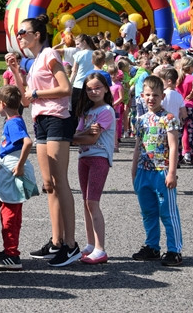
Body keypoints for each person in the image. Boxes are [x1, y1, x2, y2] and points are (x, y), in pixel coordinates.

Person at [5, 15, 79, 267]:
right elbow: (26, 100)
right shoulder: (35, 60)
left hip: (57, 118)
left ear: (37, 35)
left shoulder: (49, 54)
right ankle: (56, 241)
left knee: (60, 182)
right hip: (41, 121)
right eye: (18, 34)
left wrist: (36, 92)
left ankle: (70, 244)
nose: (19, 37)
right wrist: (16, 71)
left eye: (23, 32)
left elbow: (65, 88)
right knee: (49, 184)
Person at [130, 76, 183, 267]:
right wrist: (134, 170)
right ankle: (152, 246)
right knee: (148, 211)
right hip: (143, 171)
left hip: (162, 171)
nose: (151, 98)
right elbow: (138, 146)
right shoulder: (141, 119)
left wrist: (171, 172)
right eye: (148, 95)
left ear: (162, 96)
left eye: (155, 95)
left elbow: (174, 146)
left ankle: (174, 250)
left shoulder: (169, 119)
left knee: (168, 212)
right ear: (142, 96)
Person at [0, 85, 37, 270]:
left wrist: (20, 165)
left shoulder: (12, 123)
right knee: (12, 211)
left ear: (2, 103)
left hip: (12, 169)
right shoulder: (14, 120)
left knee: (9, 213)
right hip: (10, 166)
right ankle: (10, 250)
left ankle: (12, 254)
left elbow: (27, 142)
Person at [73, 71, 115, 265]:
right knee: (86, 202)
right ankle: (90, 244)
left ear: (106, 88)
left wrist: (78, 136)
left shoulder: (106, 110)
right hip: (84, 157)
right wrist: (82, 134)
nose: (93, 91)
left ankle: (100, 248)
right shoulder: (87, 111)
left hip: (99, 158)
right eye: (89, 89)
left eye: (97, 87)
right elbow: (78, 134)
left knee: (92, 202)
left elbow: (91, 138)